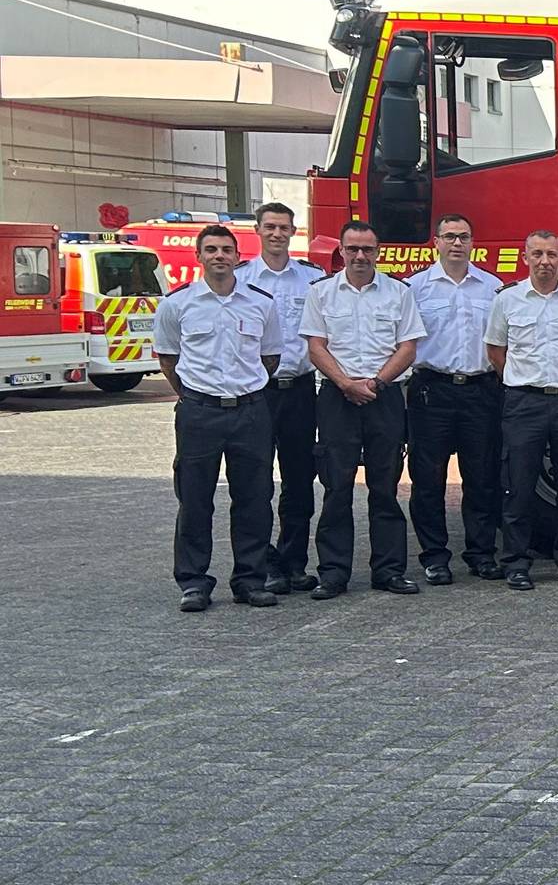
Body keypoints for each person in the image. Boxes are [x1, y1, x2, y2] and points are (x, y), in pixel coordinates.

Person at [153, 223, 282, 611]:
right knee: (194, 500)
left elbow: (270, 357)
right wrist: (194, 396)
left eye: (227, 249)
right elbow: (168, 358)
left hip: (250, 412)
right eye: (211, 250)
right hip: (199, 414)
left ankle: (250, 579)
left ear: (238, 256)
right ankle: (194, 583)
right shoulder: (177, 305)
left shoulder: (261, 303)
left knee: (255, 499)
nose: (219, 256)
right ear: (199, 256)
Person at [301, 219, 426, 599]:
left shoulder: (398, 293)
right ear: (341, 251)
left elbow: (408, 347)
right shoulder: (321, 293)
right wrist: (344, 383)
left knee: (385, 487)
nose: (359, 256)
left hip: (384, 396)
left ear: (378, 252)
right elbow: (316, 346)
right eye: (352, 248)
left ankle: (389, 570)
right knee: (336, 487)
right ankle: (334, 573)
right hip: (337, 397)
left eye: (367, 249)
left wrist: (376, 384)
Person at [485, 231, 558, 590]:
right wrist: (523, 382)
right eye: (537, 254)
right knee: (518, 484)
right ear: (525, 258)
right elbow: (495, 351)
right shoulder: (508, 300)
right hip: (524, 402)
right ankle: (517, 562)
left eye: (552, 255)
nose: (545, 261)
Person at [404, 212, 502, 586]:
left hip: (480, 389)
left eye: (463, 236)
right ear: (436, 242)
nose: (457, 243)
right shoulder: (416, 289)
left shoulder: (492, 288)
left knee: (483, 477)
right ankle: (434, 556)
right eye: (449, 237)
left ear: (473, 242)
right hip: (432, 389)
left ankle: (481, 554)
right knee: (428, 480)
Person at [249, 202, 328, 595]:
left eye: (284, 227)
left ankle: (294, 562)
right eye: (270, 227)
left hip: (298, 391)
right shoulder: (242, 278)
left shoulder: (312, 280)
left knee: (299, 481)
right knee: (257, 482)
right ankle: (264, 565)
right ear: (258, 231)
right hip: (257, 393)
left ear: (294, 231)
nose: (277, 234)